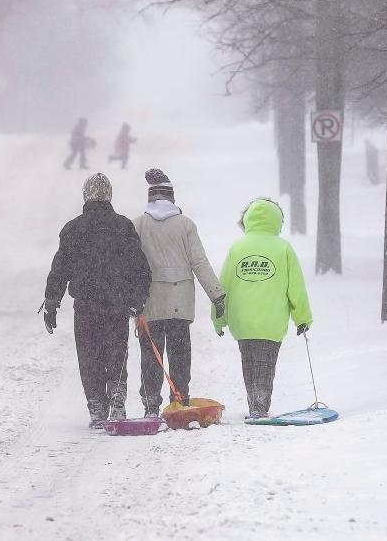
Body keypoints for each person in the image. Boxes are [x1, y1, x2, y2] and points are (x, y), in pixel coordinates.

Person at [43, 173, 152, 428]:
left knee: (89, 356)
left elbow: (60, 269)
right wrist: (137, 300)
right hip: (117, 304)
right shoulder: (123, 227)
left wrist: (51, 302)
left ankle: (96, 406)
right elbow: (140, 268)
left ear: (85, 195)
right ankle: (117, 398)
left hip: (86, 305)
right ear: (109, 195)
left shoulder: (73, 229)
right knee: (117, 353)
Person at [132, 169, 225, 417]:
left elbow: (130, 263)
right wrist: (216, 294)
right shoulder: (186, 225)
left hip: (150, 302)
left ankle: (151, 403)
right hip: (180, 303)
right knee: (179, 352)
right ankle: (180, 398)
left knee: (151, 354)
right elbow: (199, 262)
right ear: (171, 197)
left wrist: (130, 298)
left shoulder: (138, 224)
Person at [214, 198, 312, 419]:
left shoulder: (237, 248)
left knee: (248, 363)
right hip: (271, 320)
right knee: (266, 365)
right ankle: (260, 405)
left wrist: (219, 319)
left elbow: (223, 286)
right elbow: (296, 288)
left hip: (243, 321)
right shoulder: (283, 248)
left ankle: (254, 406)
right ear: (277, 220)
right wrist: (302, 317)